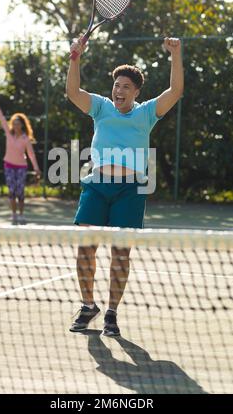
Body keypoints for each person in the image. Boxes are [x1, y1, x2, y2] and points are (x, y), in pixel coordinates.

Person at [66, 37, 183, 337]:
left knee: (121, 254)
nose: (119, 90)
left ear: (136, 92)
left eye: (126, 87)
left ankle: (111, 313)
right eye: (117, 85)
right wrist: (75, 59)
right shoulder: (101, 107)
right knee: (85, 248)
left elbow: (175, 91)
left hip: (129, 190)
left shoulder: (146, 114)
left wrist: (176, 54)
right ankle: (88, 305)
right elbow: (73, 92)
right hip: (97, 186)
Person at [0, 94, 41, 225]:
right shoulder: (8, 133)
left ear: (22, 126)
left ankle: (22, 215)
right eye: (14, 123)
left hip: (21, 167)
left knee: (20, 192)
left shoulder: (25, 139)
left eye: (18, 124)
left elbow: (31, 154)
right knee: (12, 191)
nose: (16, 126)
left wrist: (36, 168)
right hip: (9, 165)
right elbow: (1, 117)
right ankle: (14, 215)